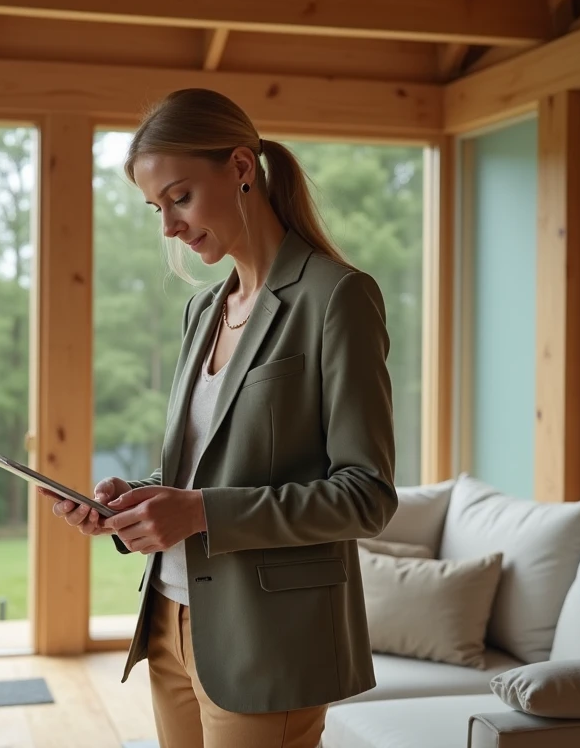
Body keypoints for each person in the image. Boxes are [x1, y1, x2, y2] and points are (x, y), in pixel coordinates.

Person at [43, 88, 398, 748]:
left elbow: (366, 496)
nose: (169, 226)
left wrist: (201, 511)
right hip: (172, 624)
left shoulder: (336, 298)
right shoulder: (204, 311)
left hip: (268, 640)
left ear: (240, 168)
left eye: (179, 197)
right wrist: (135, 503)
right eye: (157, 208)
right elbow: (203, 468)